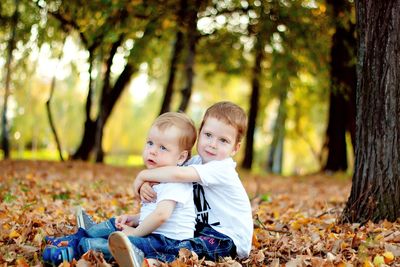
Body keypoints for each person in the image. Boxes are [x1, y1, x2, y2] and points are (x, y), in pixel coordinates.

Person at [42, 112, 197, 266]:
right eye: (150, 143)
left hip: (167, 243)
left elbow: (162, 215)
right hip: (153, 233)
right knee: (115, 224)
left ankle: (74, 250)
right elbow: (155, 212)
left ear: (181, 157)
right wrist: (135, 219)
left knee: (124, 244)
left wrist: (135, 232)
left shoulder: (177, 183)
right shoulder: (157, 179)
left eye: (163, 147)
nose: (153, 151)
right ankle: (75, 239)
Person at [111, 101, 253, 266]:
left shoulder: (223, 168)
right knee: (170, 237)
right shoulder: (194, 162)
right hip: (201, 229)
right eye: (208, 135)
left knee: (187, 248)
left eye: (223, 140)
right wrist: (139, 213)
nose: (213, 144)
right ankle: (106, 239)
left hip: (228, 238)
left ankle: (149, 260)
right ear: (200, 134)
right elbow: (167, 177)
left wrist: (143, 175)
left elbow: (177, 174)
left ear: (235, 148)